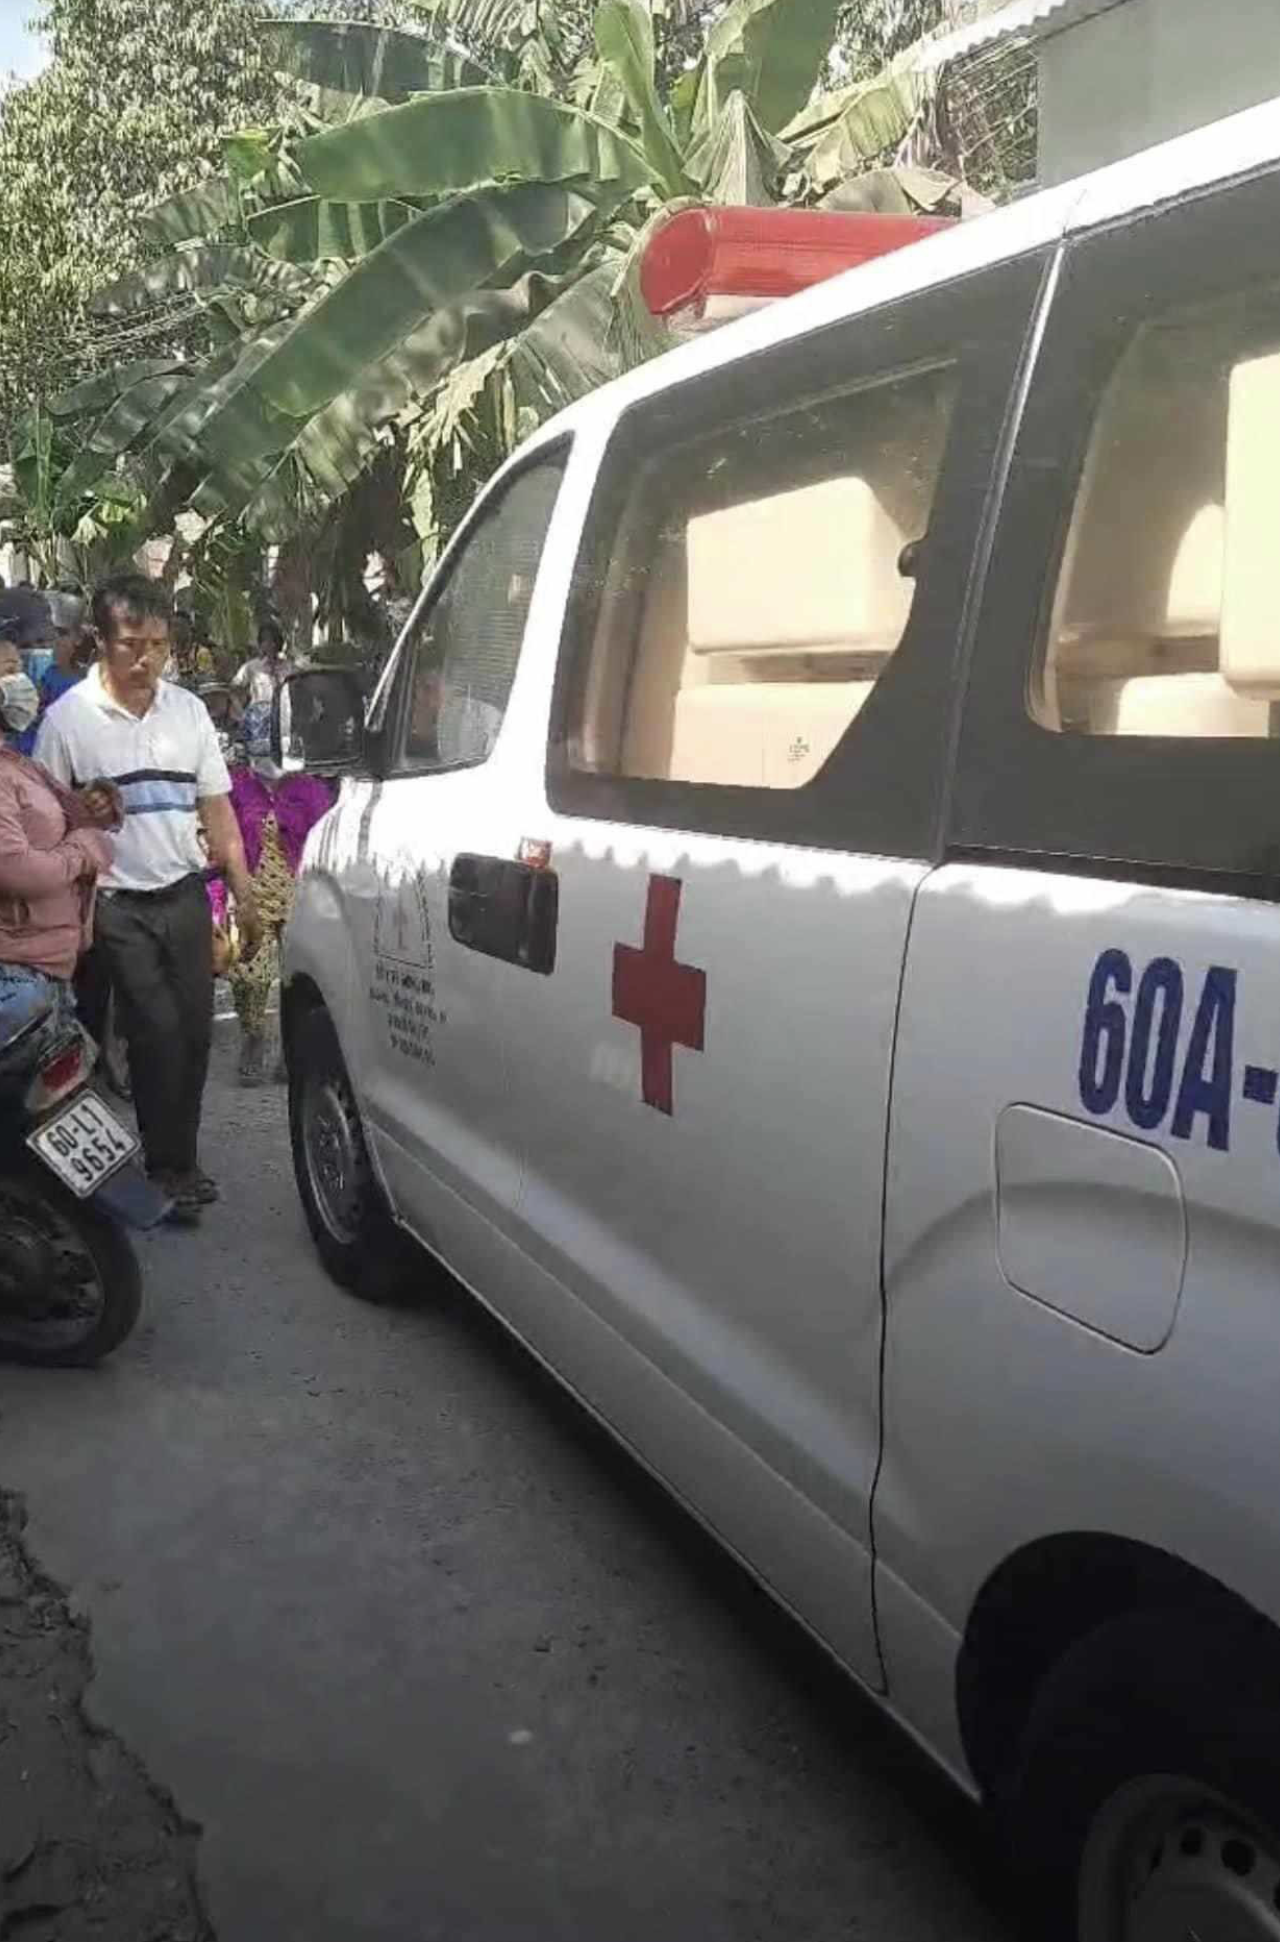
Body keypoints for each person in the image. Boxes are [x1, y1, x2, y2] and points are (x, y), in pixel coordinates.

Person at [35, 572, 263, 1224]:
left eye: (159, 645)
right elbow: (49, 822)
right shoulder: (67, 723)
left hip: (184, 892)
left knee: (193, 1034)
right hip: (115, 903)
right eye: (132, 644)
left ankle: (177, 1159)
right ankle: (169, 1169)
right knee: (157, 1030)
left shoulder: (187, 713)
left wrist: (243, 891)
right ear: (99, 643)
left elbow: (216, 808)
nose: (147, 659)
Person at [215, 705, 335, 1083]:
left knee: (297, 979)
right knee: (248, 974)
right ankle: (253, 1034)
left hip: (300, 895)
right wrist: (219, 900)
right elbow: (218, 844)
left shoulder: (310, 789)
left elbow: (325, 843)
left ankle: (291, 1051)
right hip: (251, 894)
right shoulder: (234, 788)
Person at [0, 681, 120, 1057]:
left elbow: (73, 822)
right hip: (15, 974)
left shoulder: (20, 765)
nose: (19, 684)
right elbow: (17, 870)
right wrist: (81, 851)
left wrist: (92, 806)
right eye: (8, 669)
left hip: (46, 973)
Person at [231, 618, 289, 714]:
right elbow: (233, 689)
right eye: (265, 640)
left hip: (283, 718)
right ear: (261, 643)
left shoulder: (288, 667)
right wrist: (243, 715)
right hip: (259, 721)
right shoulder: (251, 667)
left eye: (273, 640)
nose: (270, 644)